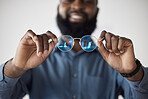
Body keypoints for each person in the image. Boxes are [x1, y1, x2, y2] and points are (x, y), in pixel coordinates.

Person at [0, 0, 148, 99]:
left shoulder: (115, 59)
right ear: (59, 8)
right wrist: (15, 67)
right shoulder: (34, 57)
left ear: (96, 10)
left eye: (87, 0)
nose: (77, 5)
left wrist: (133, 72)